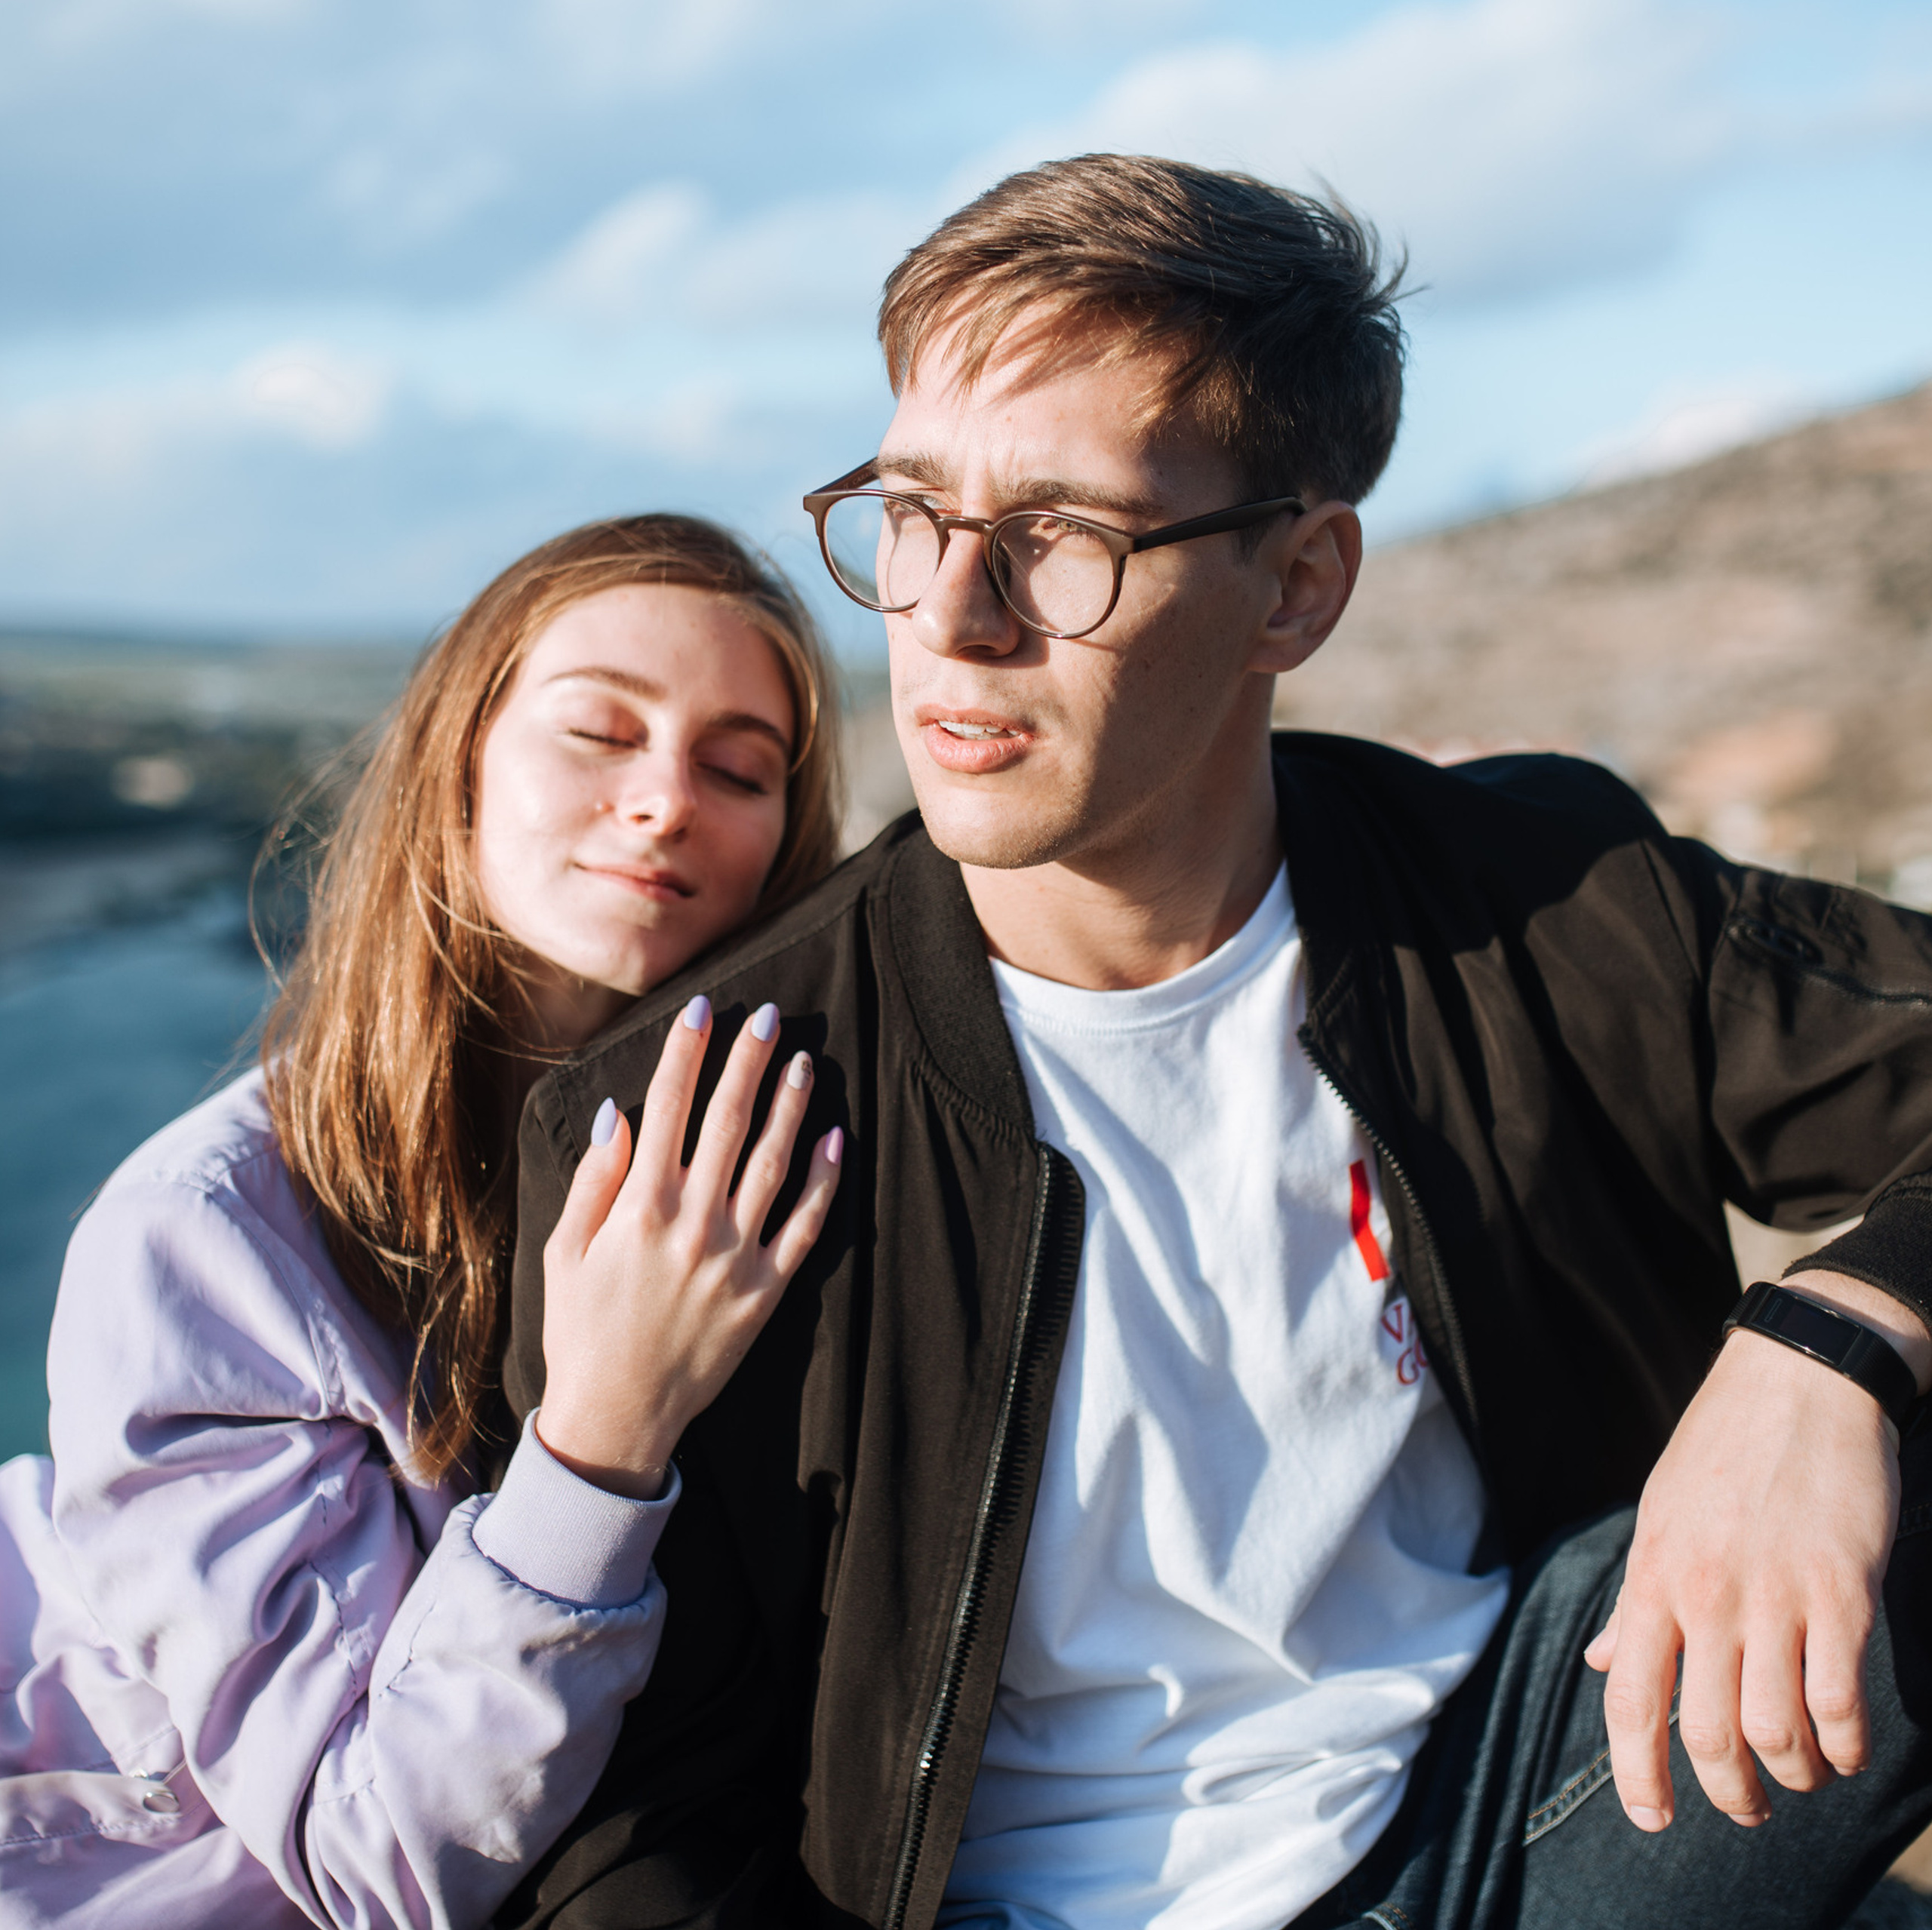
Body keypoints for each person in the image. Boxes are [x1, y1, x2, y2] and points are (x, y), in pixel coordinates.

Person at [495, 157, 1932, 1930]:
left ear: (1296, 587)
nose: (950, 613)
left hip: (1540, 1808)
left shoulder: (1539, 899)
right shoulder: (698, 1120)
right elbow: (627, 1824)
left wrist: (1832, 1335)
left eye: (1065, 539)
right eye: (913, 507)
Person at [0, 515, 845, 1928]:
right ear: (460, 768)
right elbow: (370, 1860)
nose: (665, 801)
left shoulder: (746, 1179)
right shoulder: (203, 1243)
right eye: (599, 732)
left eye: (738, 766)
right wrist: (605, 1431)